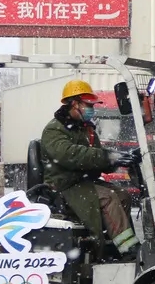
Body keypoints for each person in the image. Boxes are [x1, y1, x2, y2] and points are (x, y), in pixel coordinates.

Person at [41, 79, 141, 261]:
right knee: (109, 198)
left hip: (83, 182)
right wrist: (109, 157)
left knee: (123, 196)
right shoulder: (54, 130)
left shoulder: (85, 129)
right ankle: (127, 250)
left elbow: (97, 158)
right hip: (64, 186)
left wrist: (121, 158)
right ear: (74, 103)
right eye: (88, 105)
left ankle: (114, 245)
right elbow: (73, 155)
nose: (91, 109)